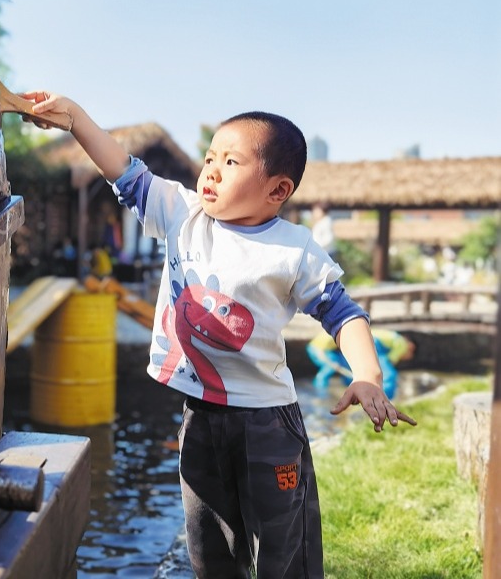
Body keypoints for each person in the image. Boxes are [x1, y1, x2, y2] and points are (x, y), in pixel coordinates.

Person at [21, 91, 416, 578]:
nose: (210, 170)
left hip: (267, 424)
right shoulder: (183, 216)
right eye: (210, 157)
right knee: (208, 543)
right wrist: (76, 119)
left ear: (277, 190)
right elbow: (122, 170)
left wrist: (367, 374)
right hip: (202, 418)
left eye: (231, 162)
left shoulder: (293, 250)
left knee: (281, 546)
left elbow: (343, 313)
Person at [307, 329, 416, 399]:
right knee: (329, 368)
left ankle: (350, 389)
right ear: (411, 346)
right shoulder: (402, 343)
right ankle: (385, 396)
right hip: (320, 349)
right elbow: (388, 361)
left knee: (347, 366)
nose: (406, 358)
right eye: (409, 356)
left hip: (356, 342)